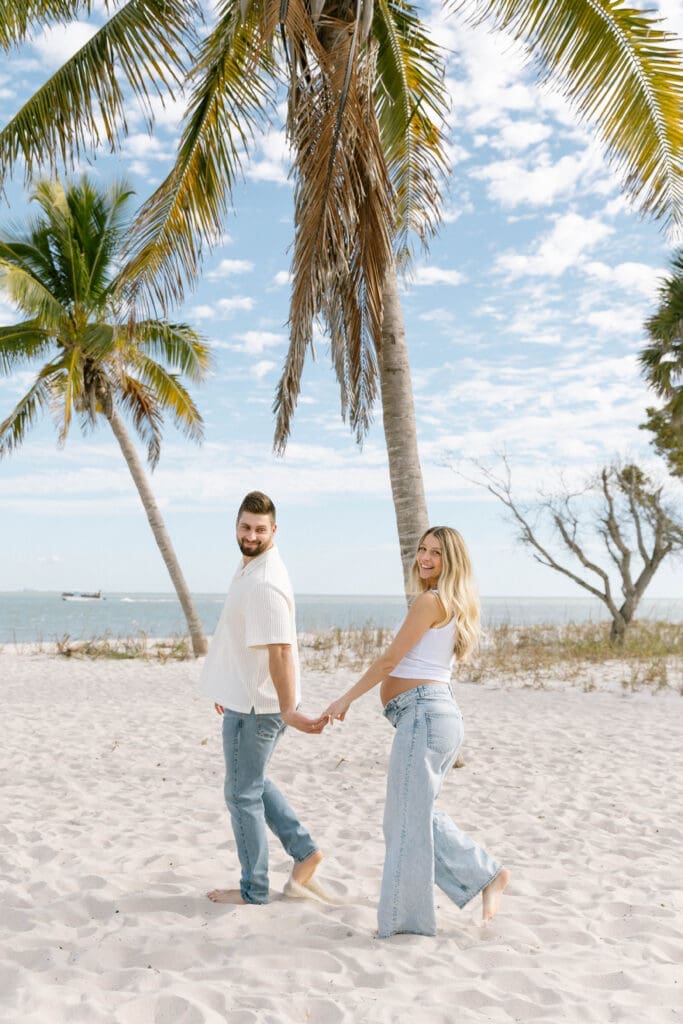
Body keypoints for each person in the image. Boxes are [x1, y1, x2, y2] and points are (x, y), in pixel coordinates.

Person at [323, 526, 510, 937]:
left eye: (436, 553)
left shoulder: (430, 601)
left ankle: (404, 926)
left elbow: (390, 660)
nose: (425, 558)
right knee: (408, 817)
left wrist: (347, 698)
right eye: (422, 550)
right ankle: (485, 875)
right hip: (434, 717)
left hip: (425, 716)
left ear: (452, 561)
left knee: (405, 823)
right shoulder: (454, 602)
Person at [201, 490, 328, 906]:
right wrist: (226, 685)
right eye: (245, 527)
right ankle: (305, 852)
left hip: (258, 707)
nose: (251, 535)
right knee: (251, 783)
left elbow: (280, 650)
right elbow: (240, 639)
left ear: (274, 530)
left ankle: (254, 890)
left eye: (259, 529)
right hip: (245, 698)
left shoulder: (266, 582)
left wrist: (289, 709)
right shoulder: (250, 567)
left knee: (241, 793)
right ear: (237, 526)